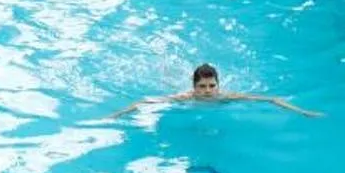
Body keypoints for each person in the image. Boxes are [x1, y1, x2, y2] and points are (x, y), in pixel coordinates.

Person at [112, 63, 321, 118]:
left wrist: (303, 112)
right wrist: (117, 114)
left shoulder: (226, 97)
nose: (208, 91)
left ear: (218, 85)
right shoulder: (185, 98)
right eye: (202, 87)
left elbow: (271, 100)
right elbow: (143, 102)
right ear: (194, 87)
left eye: (212, 86)